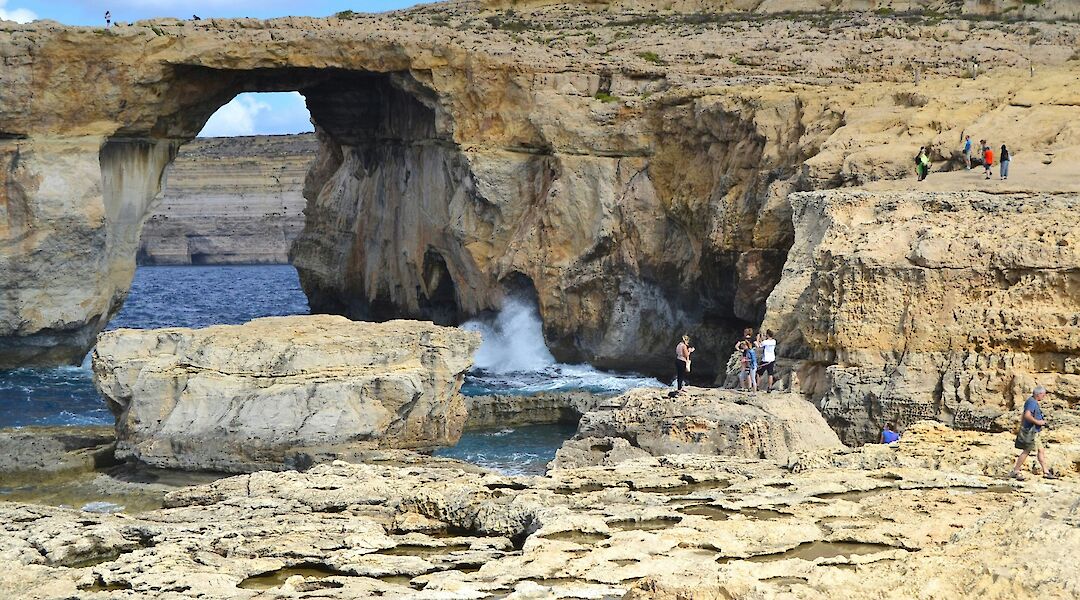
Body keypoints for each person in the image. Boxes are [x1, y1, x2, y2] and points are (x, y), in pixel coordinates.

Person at [1010, 386, 1057, 481]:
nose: (1043, 397)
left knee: (1041, 450)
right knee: (1027, 450)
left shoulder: (1032, 401)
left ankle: (1046, 472)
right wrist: (1038, 422)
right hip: (1032, 431)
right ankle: (1016, 470)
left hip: (1035, 431)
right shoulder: (1031, 402)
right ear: (1038, 394)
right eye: (1043, 395)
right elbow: (1027, 415)